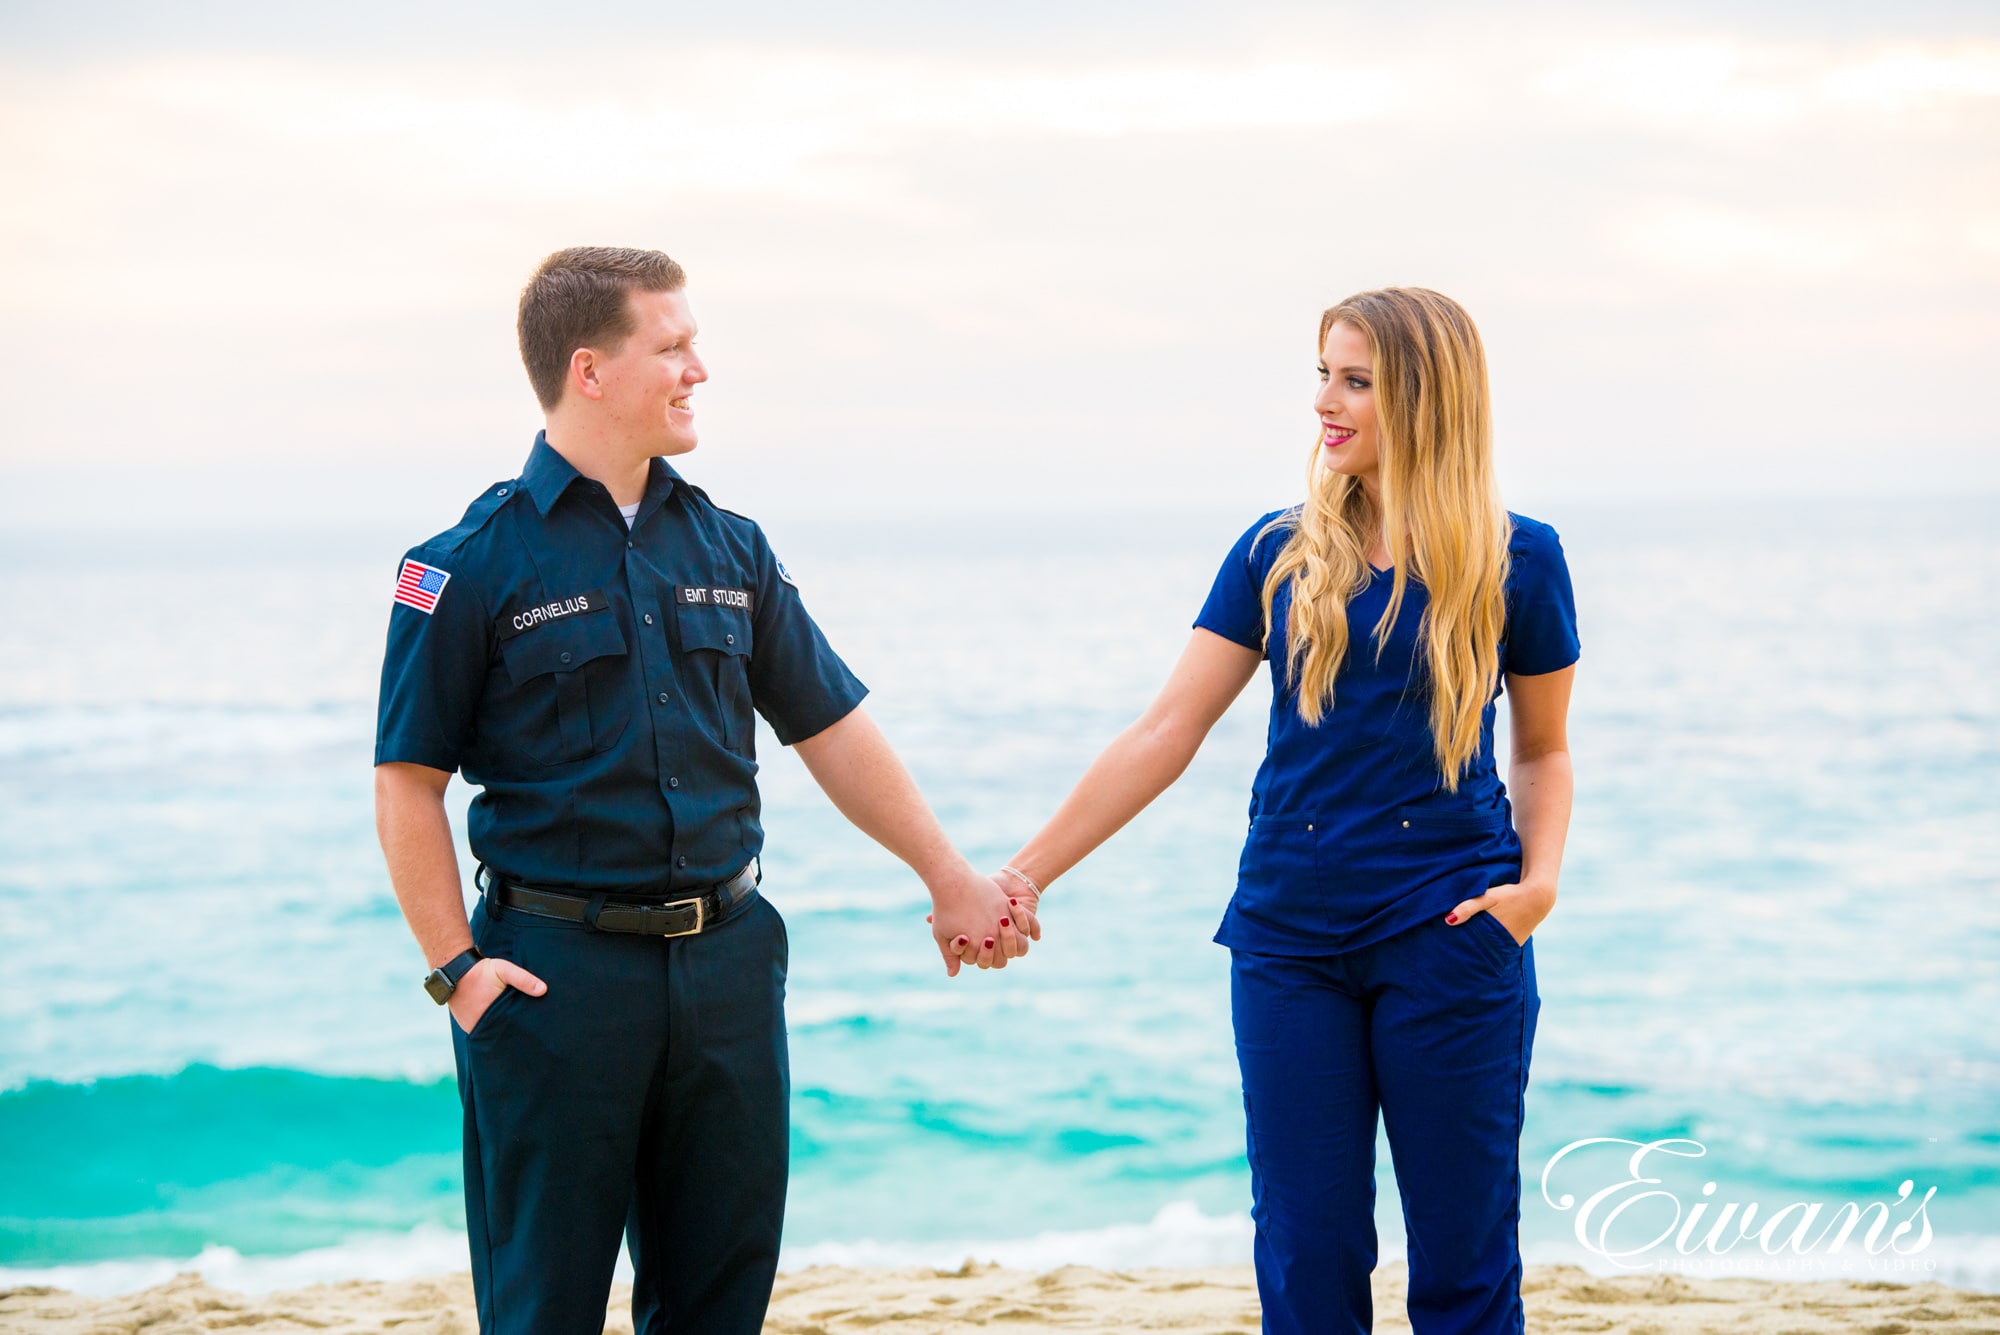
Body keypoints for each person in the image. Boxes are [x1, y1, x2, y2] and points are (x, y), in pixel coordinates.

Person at [372, 245, 1036, 1335]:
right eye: (672, 347)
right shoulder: (464, 564)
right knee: (544, 1310)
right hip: (553, 981)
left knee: (719, 1306)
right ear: (590, 371)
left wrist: (949, 876)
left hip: (727, 964)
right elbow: (407, 785)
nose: (699, 371)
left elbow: (830, 727)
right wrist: (458, 970)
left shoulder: (731, 545)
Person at [990, 287, 1578, 1335]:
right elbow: (1163, 732)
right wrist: (1022, 874)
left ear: (1424, 397)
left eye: (1353, 380)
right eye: (1321, 374)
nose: (1323, 402)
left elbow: (1541, 748)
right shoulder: (1276, 550)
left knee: (1463, 1254)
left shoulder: (1517, 557)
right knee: (1306, 1251)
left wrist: (1533, 891)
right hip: (1285, 943)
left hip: (1449, 935)